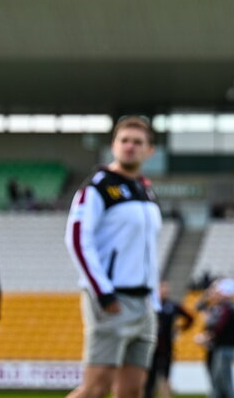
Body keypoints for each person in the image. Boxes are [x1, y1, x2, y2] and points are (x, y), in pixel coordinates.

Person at [65, 115, 163, 398]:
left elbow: (147, 250)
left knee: (132, 391)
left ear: (149, 151)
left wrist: (153, 301)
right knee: (95, 389)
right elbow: (76, 239)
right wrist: (103, 293)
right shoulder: (97, 186)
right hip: (112, 300)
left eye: (137, 142)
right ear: (113, 146)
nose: (130, 147)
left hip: (143, 304)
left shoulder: (145, 190)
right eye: (124, 141)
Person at [145, 281, 194, 398]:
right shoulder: (149, 305)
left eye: (166, 289)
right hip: (150, 348)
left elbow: (190, 317)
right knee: (149, 379)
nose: (164, 292)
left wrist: (181, 328)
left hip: (166, 349)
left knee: (165, 377)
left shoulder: (172, 306)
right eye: (162, 289)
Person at [194, 278, 234, 398]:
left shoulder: (228, 309)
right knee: (220, 382)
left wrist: (206, 338)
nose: (215, 294)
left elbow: (219, 328)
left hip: (224, 348)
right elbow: (199, 306)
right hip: (221, 348)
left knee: (223, 382)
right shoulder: (223, 308)